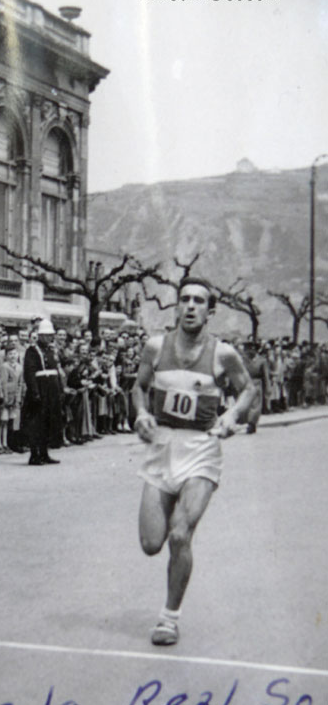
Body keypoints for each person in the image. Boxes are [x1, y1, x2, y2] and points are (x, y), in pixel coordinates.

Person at [133, 277, 255, 646]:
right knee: (151, 543)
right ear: (177, 307)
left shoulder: (223, 354)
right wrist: (140, 414)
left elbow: (248, 388)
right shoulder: (155, 347)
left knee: (180, 534)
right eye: (184, 299)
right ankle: (172, 544)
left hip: (201, 448)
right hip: (160, 447)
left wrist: (231, 417)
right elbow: (138, 387)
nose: (190, 306)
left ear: (210, 311)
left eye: (198, 301)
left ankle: (169, 619)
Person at [21, 318, 63, 465]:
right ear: (40, 336)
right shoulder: (32, 351)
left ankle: (44, 453)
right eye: (46, 335)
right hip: (39, 390)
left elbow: (55, 371)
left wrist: (59, 390)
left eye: (50, 335)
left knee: (48, 422)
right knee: (36, 424)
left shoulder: (51, 351)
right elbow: (29, 373)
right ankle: (34, 454)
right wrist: (35, 393)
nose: (49, 338)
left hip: (51, 391)